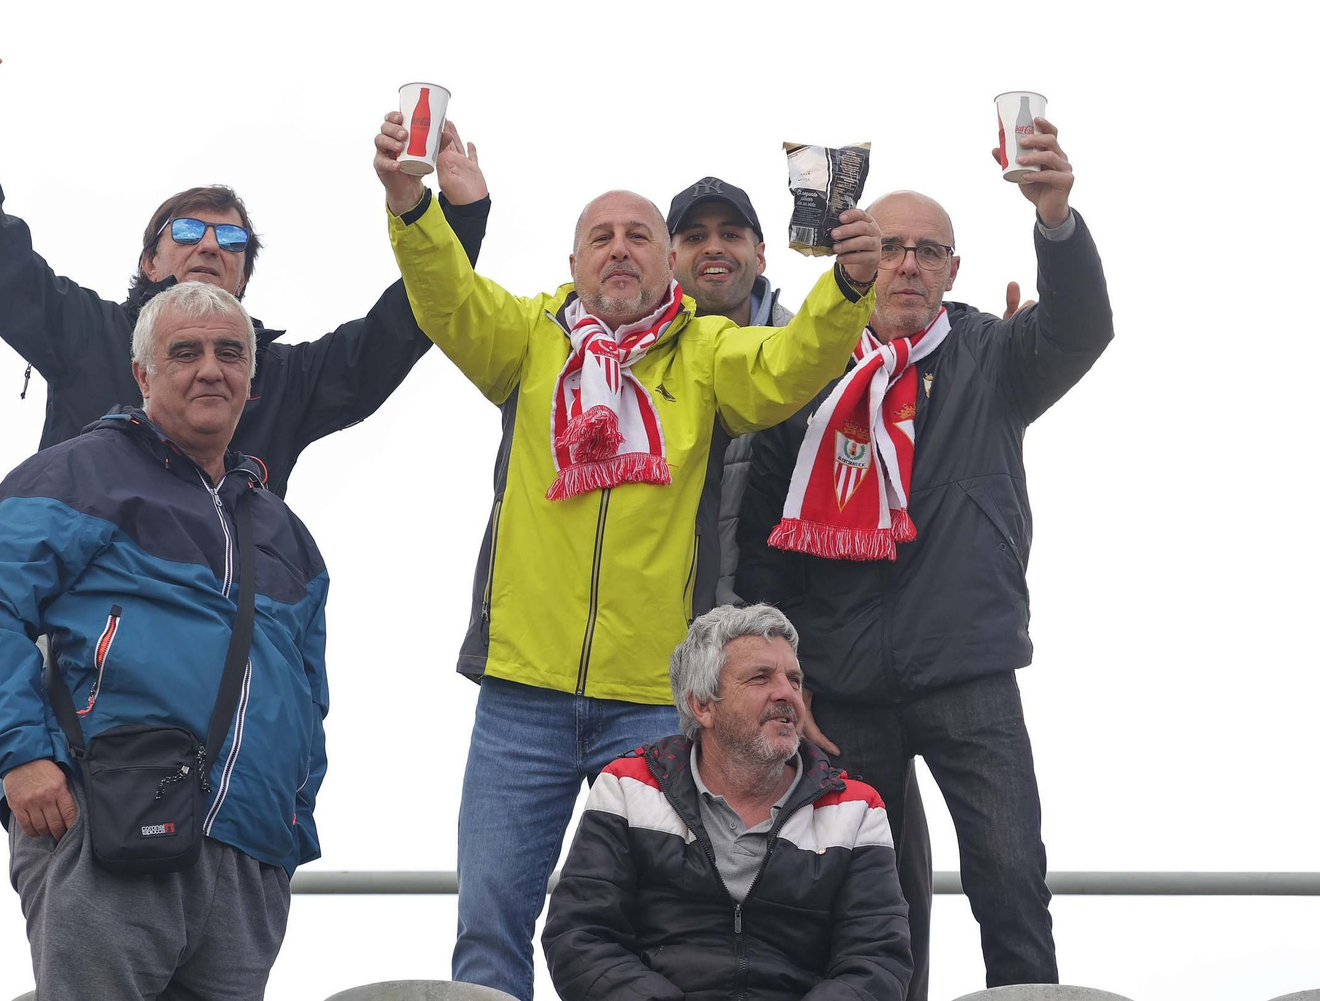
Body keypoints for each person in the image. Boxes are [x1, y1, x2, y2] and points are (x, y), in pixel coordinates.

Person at [0, 17, 489, 989]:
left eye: (230, 240)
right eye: (185, 232)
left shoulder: (274, 380)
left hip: (198, 650)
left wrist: (458, 219)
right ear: (150, 263)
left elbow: (392, 338)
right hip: (69, 617)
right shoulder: (85, 332)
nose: (208, 248)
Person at [373, 113, 882, 1001]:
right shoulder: (527, 338)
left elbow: (790, 364)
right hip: (521, 693)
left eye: (639, 235)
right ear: (573, 263)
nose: (619, 248)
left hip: (651, 695)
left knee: (654, 934)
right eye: (600, 236)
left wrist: (848, 286)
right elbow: (447, 296)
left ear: (667, 264)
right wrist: (412, 206)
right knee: (490, 924)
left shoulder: (708, 350)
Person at [735, 117, 1111, 988]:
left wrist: (1055, 217)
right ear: (862, 259)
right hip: (842, 686)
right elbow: (763, 549)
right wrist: (789, 679)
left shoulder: (993, 355)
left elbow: (1080, 329)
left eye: (928, 251)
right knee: (864, 903)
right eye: (892, 248)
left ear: (953, 270)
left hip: (969, 671)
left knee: (1010, 879)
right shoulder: (806, 369)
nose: (907, 264)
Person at [0, 280, 326, 998]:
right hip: (107, 818)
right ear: (143, 374)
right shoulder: (76, 474)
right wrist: (23, 756)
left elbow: (311, 696)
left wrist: (291, 831)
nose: (210, 369)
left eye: (230, 353)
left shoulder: (288, 536)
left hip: (249, 859)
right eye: (185, 352)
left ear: (251, 381)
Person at [667, 175, 937, 1001]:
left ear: (761, 250)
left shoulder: (824, 345)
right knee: (676, 870)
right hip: (660, 654)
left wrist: (794, 670)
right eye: (695, 235)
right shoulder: (617, 354)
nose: (715, 249)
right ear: (673, 256)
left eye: (732, 233)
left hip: (805, 662)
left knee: (861, 855)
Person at [541, 603, 910, 1001]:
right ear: (702, 705)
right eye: (760, 678)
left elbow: (877, 961)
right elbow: (580, 937)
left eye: (794, 679)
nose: (787, 693)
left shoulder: (856, 808)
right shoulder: (628, 788)